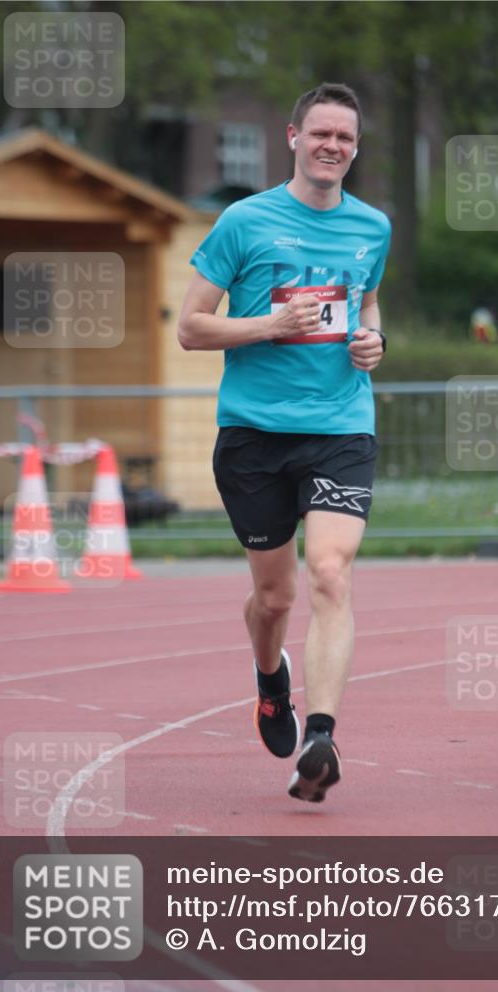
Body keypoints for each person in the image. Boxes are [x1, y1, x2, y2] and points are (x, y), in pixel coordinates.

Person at [177, 82, 391, 803]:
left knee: (331, 573)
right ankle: (272, 683)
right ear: (293, 136)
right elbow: (191, 327)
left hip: (339, 427)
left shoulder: (373, 227)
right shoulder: (244, 221)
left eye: (346, 138)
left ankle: (321, 734)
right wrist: (270, 325)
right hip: (254, 435)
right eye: (321, 133)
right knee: (274, 597)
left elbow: (364, 299)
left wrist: (372, 340)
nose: (333, 146)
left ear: (354, 150)